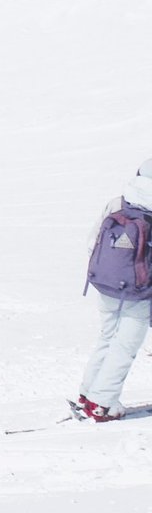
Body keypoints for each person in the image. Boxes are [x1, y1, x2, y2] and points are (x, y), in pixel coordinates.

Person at [78, 158, 152, 422]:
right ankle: (103, 403)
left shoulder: (117, 202)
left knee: (107, 338)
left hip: (106, 283)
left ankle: (87, 394)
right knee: (125, 347)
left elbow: (93, 240)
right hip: (139, 291)